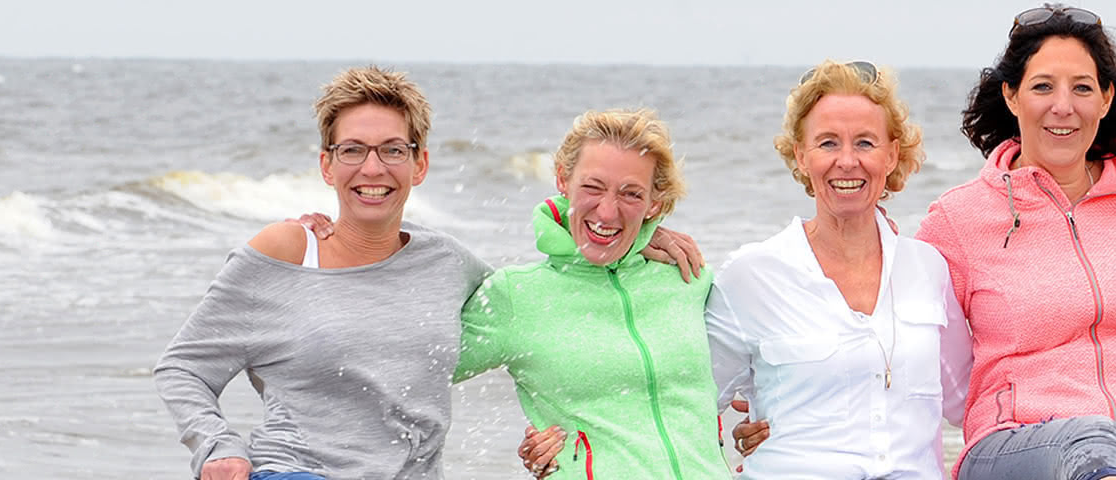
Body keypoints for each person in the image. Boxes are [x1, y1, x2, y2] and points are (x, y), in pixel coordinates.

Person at [154, 66, 492, 480]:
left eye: (392, 149)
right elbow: (184, 366)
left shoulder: (448, 262)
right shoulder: (287, 252)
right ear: (327, 165)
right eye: (352, 150)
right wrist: (216, 446)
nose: (372, 168)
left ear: (419, 164)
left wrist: (555, 430)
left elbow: (535, 322)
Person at [912, 4, 1116, 480]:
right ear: (1011, 96)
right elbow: (889, 317)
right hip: (1011, 445)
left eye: (1083, 88)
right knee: (1093, 441)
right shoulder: (959, 218)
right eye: (1043, 86)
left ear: (1107, 99)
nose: (1063, 106)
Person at [704, 60, 972, 479]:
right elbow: (687, 406)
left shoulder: (928, 269)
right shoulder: (750, 276)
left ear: (892, 154)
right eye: (828, 143)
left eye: (865, 143)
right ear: (800, 155)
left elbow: (969, 402)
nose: (847, 161)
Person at [454, 109, 730, 480]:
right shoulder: (515, 295)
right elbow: (400, 371)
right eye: (592, 187)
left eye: (631, 193)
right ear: (562, 181)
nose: (607, 210)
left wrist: (768, 430)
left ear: (655, 203)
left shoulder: (688, 279)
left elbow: (772, 374)